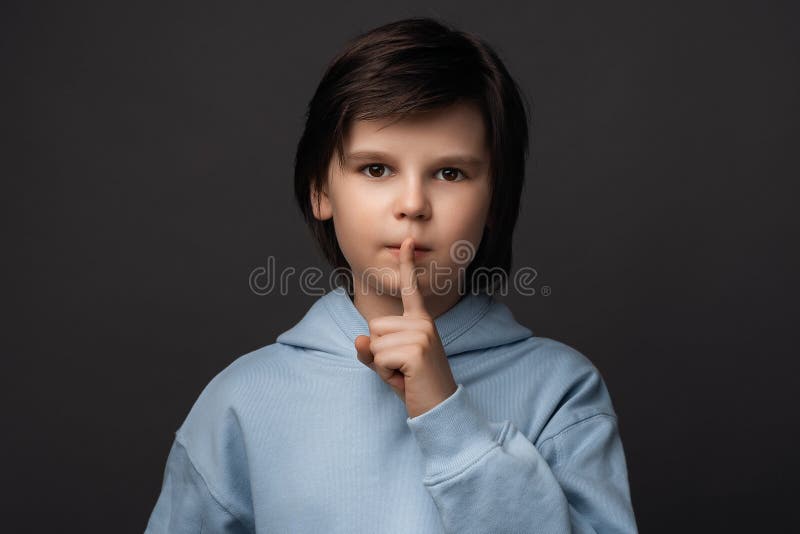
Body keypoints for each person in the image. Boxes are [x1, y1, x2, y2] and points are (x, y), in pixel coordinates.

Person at [145, 17, 638, 534]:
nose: (412, 205)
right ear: (320, 190)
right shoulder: (241, 402)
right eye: (376, 169)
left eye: (450, 173)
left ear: (495, 201)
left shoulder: (561, 392)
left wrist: (449, 417)